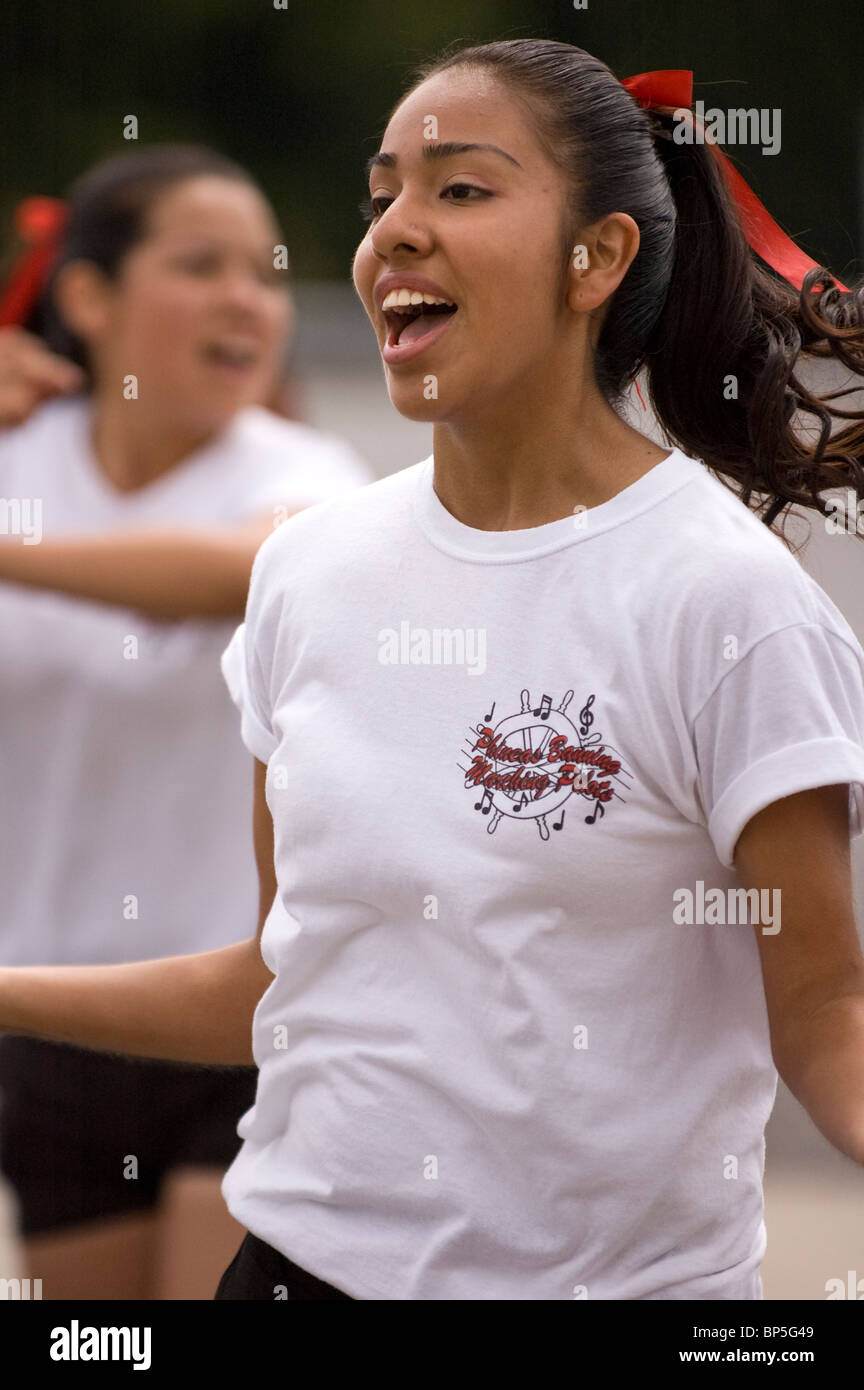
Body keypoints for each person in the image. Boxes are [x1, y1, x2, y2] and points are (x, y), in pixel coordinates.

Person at [1, 38, 863, 1301]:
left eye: (460, 188)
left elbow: (829, 1013)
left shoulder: (727, 605)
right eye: (382, 192)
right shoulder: (310, 573)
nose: (395, 230)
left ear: (599, 256)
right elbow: (276, 975)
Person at [0, 144, 371, 1300]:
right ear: (88, 296)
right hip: (50, 1011)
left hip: (242, 1015)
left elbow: (236, 570)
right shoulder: (20, 459)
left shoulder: (314, 478)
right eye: (198, 264)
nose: (246, 299)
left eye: (263, 272)